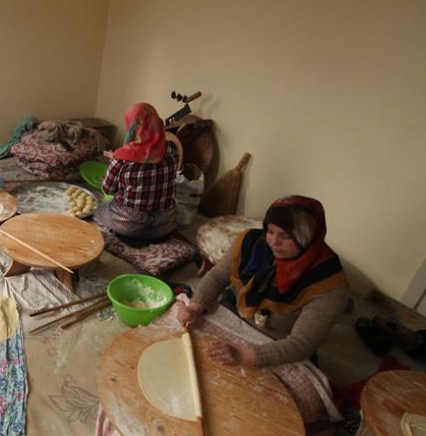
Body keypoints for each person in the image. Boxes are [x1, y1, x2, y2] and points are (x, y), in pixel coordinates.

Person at [177, 195, 350, 369]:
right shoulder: (249, 243)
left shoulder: (330, 285)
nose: (274, 242)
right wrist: (195, 307)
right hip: (236, 313)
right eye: (271, 231)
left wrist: (243, 355)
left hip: (277, 342)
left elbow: (301, 345)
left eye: (286, 236)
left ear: (306, 237)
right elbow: (216, 277)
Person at [94, 102, 179, 248]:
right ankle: (152, 237)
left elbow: (107, 189)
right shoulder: (172, 150)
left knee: (100, 208)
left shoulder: (121, 158)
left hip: (131, 224)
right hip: (164, 224)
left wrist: (115, 161)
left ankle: (127, 236)